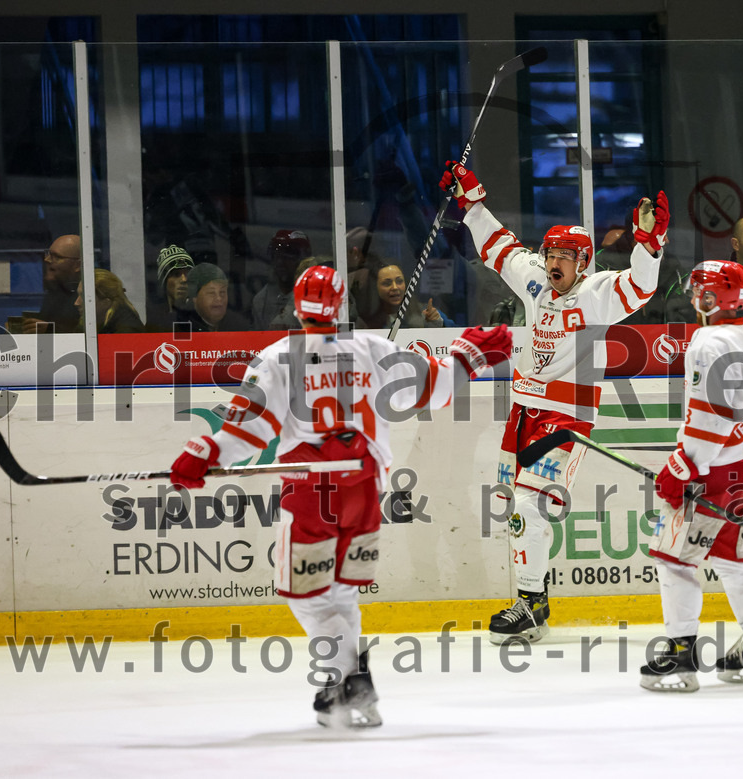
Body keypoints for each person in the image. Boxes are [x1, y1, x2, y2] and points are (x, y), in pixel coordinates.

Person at [169, 265, 513, 728]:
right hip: (366, 486)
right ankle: (349, 688)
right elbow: (436, 387)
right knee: (344, 593)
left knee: (307, 596)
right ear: (340, 303)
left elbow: (249, 428)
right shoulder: (372, 347)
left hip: (313, 489)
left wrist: (202, 450)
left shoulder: (277, 357)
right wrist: (469, 357)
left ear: (297, 304)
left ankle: (348, 676)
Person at [439, 161, 667, 644]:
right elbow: (499, 247)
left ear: (584, 262)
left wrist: (648, 246)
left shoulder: (598, 292)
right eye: (550, 252)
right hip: (523, 411)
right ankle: (535, 601)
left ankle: (528, 602)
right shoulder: (539, 281)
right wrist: (471, 200)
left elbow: (641, 286)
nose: (554, 261)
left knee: (530, 504)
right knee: (517, 509)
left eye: (566, 255)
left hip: (566, 418)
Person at [640, 259, 743, 693]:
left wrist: (682, 468)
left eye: (697, 289)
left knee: (675, 559)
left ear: (710, 297)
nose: (690, 295)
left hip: (709, 474)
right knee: (734, 560)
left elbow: (710, 417)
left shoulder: (706, 343)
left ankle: (681, 656)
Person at [250, 229, 313, 330]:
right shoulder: (261, 300)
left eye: (288, 256)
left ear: (303, 260)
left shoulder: (317, 297)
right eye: (276, 256)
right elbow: (257, 342)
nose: (280, 262)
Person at [355, 263, 448, 329]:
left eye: (399, 281)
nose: (395, 287)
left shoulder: (425, 311)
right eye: (387, 283)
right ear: (375, 288)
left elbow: (457, 334)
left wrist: (437, 322)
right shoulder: (362, 322)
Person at [23, 234, 82, 334]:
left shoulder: (92, 293)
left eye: (57, 257)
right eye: (48, 254)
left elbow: (91, 335)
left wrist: (50, 330)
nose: (47, 260)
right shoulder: (55, 293)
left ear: (77, 265)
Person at [180, 263, 250, 332]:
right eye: (211, 293)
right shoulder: (179, 325)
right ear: (194, 297)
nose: (219, 298)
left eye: (222, 292)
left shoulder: (240, 326)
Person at [75, 269, 145, 334]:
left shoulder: (127, 332)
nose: (76, 303)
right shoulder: (90, 322)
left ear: (106, 302)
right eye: (78, 295)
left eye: (84, 297)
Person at [147, 244, 195, 332]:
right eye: (176, 274)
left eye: (187, 274)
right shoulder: (154, 320)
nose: (184, 279)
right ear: (164, 281)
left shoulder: (200, 316)